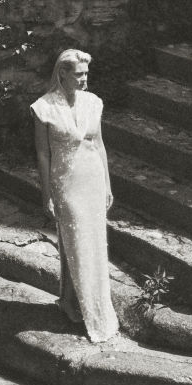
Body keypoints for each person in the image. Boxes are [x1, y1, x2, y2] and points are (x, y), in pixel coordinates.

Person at [30, 49, 120, 343]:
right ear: (63, 74)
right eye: (79, 74)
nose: (84, 79)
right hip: (66, 183)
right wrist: (47, 194)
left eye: (86, 73)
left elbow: (100, 145)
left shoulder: (93, 102)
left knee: (93, 243)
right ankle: (79, 305)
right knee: (76, 243)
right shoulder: (43, 108)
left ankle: (73, 302)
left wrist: (107, 185)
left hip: (93, 179)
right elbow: (43, 154)